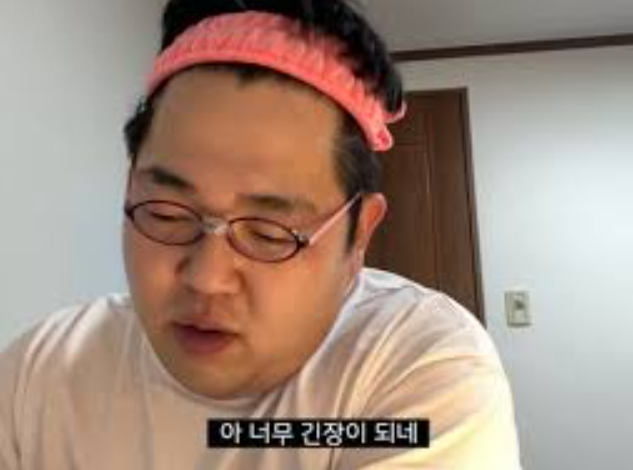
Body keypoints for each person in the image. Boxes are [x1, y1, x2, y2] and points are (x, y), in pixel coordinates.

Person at [0, 0, 522, 468]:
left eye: (270, 233)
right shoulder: (42, 370)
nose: (206, 278)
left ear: (359, 236)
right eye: (168, 213)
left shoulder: (417, 361)